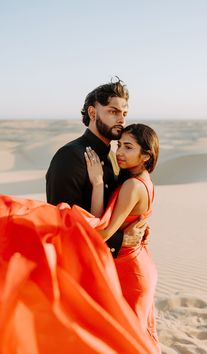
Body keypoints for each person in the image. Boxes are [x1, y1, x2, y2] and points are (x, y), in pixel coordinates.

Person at [73, 123, 160, 349]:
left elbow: (102, 234)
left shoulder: (133, 185)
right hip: (135, 262)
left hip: (131, 271)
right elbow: (105, 221)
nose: (120, 152)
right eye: (119, 145)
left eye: (128, 147)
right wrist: (99, 184)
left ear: (146, 156)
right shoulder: (143, 180)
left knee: (129, 340)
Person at [46, 78, 147, 258]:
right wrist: (120, 240)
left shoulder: (115, 156)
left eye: (124, 113)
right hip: (77, 264)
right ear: (93, 113)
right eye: (113, 111)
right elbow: (62, 223)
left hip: (108, 262)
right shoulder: (70, 156)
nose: (121, 119)